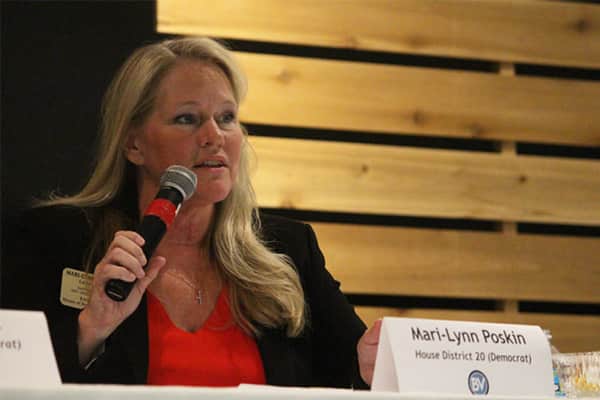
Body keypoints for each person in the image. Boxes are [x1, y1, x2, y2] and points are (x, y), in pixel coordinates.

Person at [2, 37, 381, 387]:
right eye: (187, 118)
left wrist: (378, 360)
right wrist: (91, 328)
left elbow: (353, 370)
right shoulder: (60, 240)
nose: (214, 136)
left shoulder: (289, 250)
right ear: (134, 144)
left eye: (227, 117)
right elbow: (14, 376)